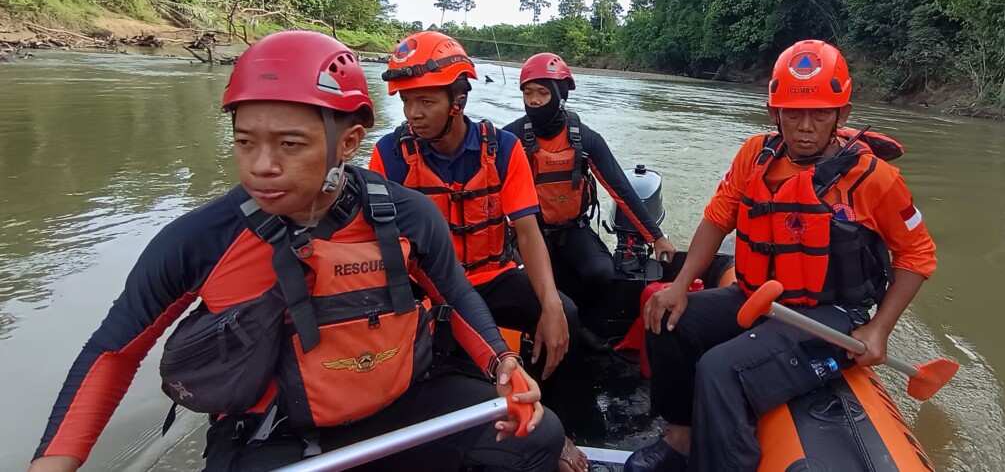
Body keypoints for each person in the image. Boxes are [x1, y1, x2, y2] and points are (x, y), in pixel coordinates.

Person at [28, 31, 562, 472]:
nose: (261, 165)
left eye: (289, 144)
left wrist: (504, 364)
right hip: (274, 437)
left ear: (349, 143)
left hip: (400, 410)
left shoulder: (408, 216)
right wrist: (54, 463)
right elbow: (114, 352)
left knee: (537, 436)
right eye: (244, 141)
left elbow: (459, 297)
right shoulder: (201, 239)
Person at [626, 40, 938, 472]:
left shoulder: (874, 180)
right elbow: (718, 219)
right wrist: (679, 287)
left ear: (841, 115)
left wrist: (879, 329)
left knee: (720, 370)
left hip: (829, 315)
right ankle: (682, 438)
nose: (805, 126)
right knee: (666, 321)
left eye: (820, 114)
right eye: (793, 113)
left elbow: (917, 254)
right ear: (776, 113)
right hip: (754, 297)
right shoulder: (755, 155)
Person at [367, 32, 588, 471]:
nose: (414, 114)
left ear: (458, 101)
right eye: (407, 101)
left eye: (426, 101)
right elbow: (379, 247)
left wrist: (549, 304)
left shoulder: (502, 149)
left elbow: (528, 231)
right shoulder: (389, 155)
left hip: (493, 277)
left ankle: (564, 428)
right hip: (429, 291)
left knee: (566, 312)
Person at [502, 53, 677, 344]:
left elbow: (620, 188)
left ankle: (579, 318)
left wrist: (656, 236)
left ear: (560, 96)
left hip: (572, 228)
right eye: (528, 93)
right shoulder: (511, 138)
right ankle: (555, 327)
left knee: (602, 273)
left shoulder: (584, 139)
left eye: (543, 93)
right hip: (528, 233)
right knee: (528, 285)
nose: (534, 101)